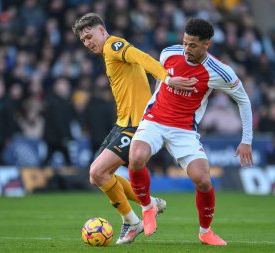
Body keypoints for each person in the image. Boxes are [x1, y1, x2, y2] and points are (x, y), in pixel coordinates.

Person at [71, 13, 197, 244]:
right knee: (97, 176)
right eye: (83, 40)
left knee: (98, 172)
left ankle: (132, 221)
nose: (88, 42)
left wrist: (167, 79)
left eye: (89, 36)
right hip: (123, 123)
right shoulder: (110, 51)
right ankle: (149, 203)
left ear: (101, 30)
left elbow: (141, 57)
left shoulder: (113, 45)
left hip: (137, 124)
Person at [129, 18, 254, 245]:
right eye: (185, 42)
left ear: (207, 44)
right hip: (154, 120)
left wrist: (246, 140)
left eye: (193, 45)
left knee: (203, 180)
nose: (186, 49)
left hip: (184, 130)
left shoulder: (220, 72)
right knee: (136, 158)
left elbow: (243, 100)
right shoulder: (168, 53)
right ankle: (148, 207)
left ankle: (205, 231)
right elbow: (157, 75)